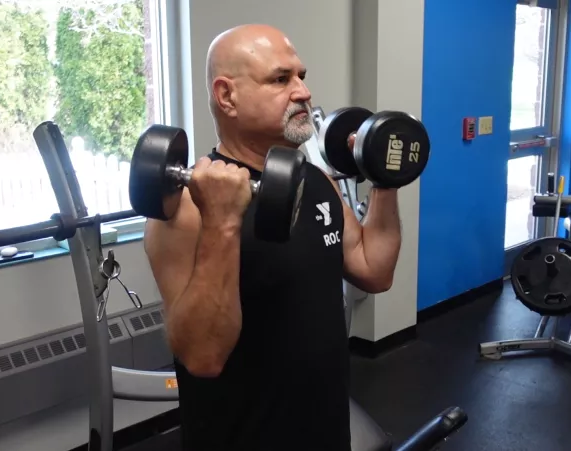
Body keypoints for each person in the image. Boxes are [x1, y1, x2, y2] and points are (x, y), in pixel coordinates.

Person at [144, 24, 403, 451]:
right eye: (281, 79)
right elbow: (203, 357)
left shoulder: (318, 180)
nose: (302, 91)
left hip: (326, 430)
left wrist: (384, 177)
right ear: (227, 96)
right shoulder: (187, 208)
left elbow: (373, 269)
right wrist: (224, 223)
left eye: (301, 76)